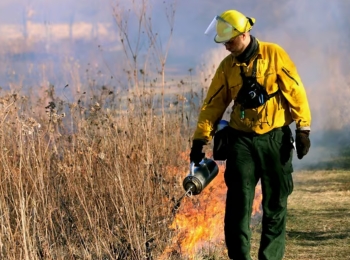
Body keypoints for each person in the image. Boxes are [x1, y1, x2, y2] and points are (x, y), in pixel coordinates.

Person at [189, 9, 311, 260]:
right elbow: (213, 104)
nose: (226, 47)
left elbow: (295, 91)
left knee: (275, 204)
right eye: (223, 43)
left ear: (244, 34)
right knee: (237, 205)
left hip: (274, 138)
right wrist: (200, 139)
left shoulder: (274, 55)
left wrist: (303, 128)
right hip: (241, 141)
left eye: (230, 41)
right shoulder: (227, 67)